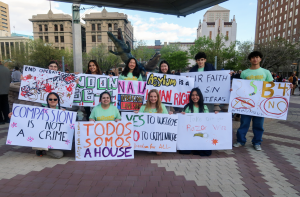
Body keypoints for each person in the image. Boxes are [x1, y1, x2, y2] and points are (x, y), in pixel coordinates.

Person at [233, 51, 275, 151]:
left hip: (260, 104)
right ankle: (240, 141)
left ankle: (257, 142)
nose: (255, 59)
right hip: (247, 103)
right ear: (250, 60)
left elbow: (273, 87)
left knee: (258, 125)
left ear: (260, 59)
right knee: (244, 123)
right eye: (252, 57)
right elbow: (240, 87)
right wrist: (233, 90)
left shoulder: (266, 72)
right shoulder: (244, 73)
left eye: (257, 57)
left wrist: (287, 87)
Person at [8, 92, 65, 158]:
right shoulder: (40, 111)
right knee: (58, 155)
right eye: (50, 99)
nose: (52, 101)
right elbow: (27, 118)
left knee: (63, 150)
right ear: (47, 100)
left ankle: (45, 148)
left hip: (56, 140)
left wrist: (65, 114)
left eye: (55, 99)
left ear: (58, 100)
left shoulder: (62, 111)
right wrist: (14, 116)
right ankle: (42, 149)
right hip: (44, 140)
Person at [180, 87, 218, 156]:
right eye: (193, 95)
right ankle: (195, 147)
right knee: (184, 151)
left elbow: (208, 120)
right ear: (190, 96)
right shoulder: (187, 107)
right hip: (190, 133)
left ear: (200, 96)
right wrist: (182, 115)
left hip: (201, 133)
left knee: (207, 153)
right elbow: (183, 121)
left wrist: (215, 115)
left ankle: (196, 148)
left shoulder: (204, 107)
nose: (194, 97)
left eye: (196, 95)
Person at [134, 89, 173, 155]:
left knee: (159, 153)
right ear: (148, 97)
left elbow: (166, 120)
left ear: (157, 97)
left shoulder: (162, 106)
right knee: (149, 150)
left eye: (155, 96)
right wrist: (136, 115)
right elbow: (139, 120)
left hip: (158, 132)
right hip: (147, 132)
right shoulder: (144, 107)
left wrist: (170, 115)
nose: (153, 98)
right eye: (151, 96)